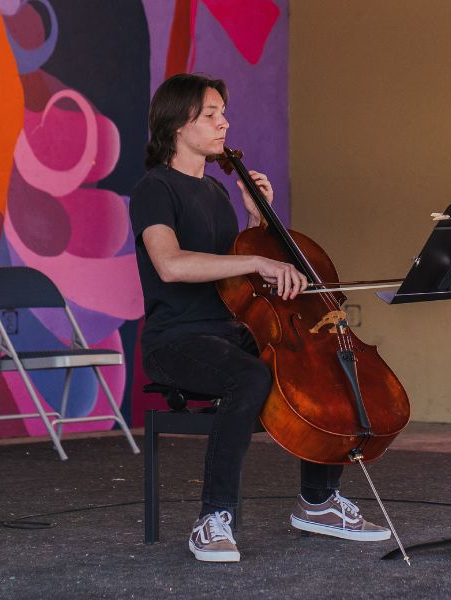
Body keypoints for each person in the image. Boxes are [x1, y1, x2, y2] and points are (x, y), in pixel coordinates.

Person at [129, 73, 390, 563]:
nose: (223, 122)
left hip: (229, 331)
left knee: (325, 365)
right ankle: (213, 519)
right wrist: (256, 260)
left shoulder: (216, 192)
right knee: (248, 377)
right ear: (177, 124)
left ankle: (317, 503)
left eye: (222, 112)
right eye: (211, 114)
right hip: (175, 341)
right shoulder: (154, 189)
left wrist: (255, 221)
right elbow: (172, 264)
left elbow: (234, 280)